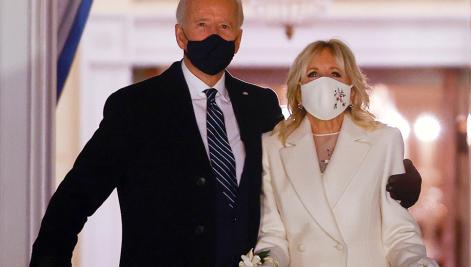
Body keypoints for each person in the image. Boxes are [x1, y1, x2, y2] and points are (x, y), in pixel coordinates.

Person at [30, 1, 422, 266]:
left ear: (238, 37)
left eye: (224, 26)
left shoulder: (261, 106)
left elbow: (310, 167)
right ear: (181, 35)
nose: (214, 35)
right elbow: (73, 202)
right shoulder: (135, 107)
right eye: (202, 25)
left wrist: (398, 175)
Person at [255, 39, 438, 267]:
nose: (324, 82)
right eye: (313, 74)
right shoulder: (274, 146)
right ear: (299, 90)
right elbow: (273, 234)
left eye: (335, 73)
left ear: (351, 89)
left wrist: (415, 263)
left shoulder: (383, 141)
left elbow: (398, 233)